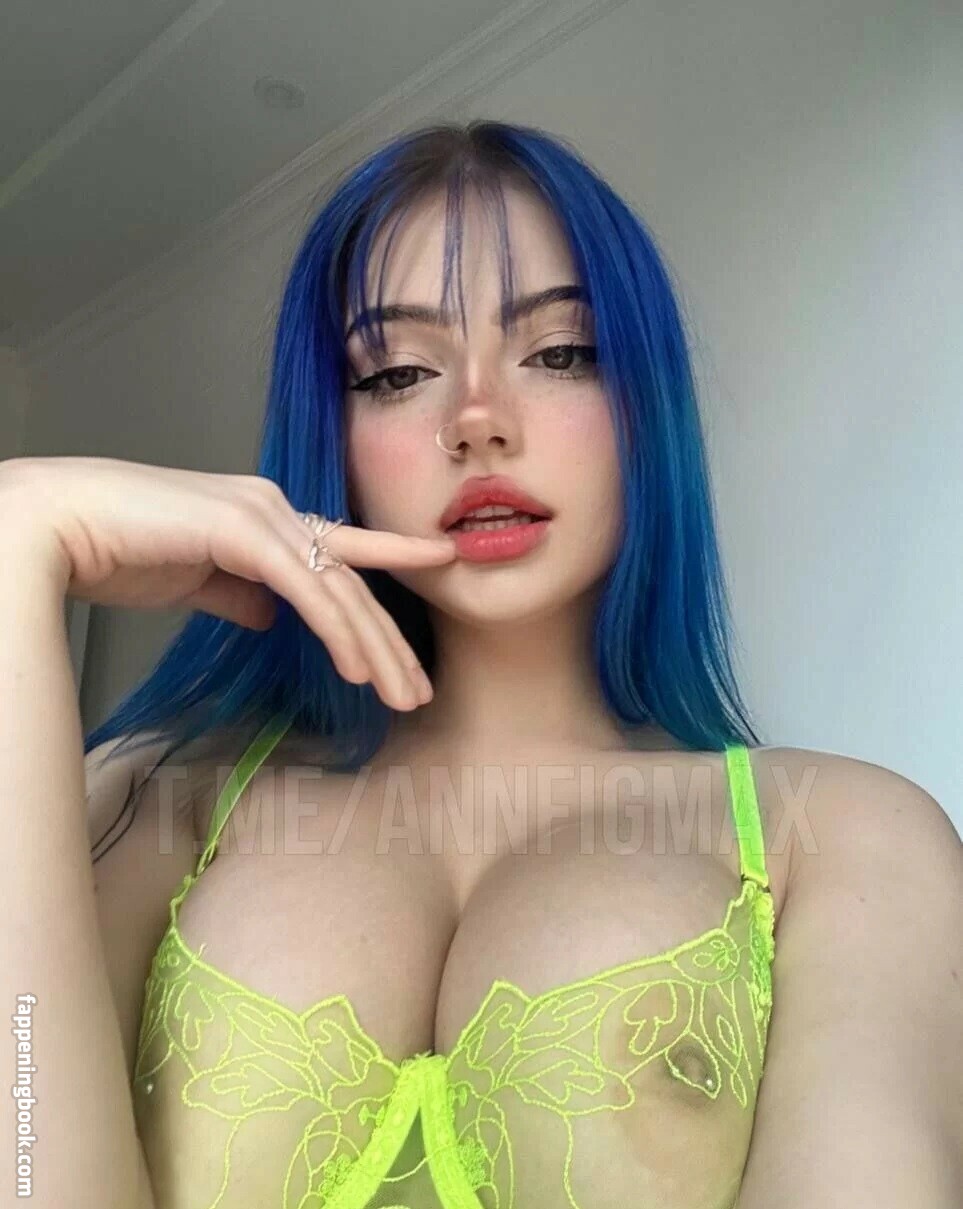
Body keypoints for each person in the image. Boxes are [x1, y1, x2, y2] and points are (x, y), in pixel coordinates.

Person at [2, 122, 959, 1209]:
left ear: (647, 404)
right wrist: (17, 543)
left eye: (561, 353)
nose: (475, 422)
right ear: (332, 434)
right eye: (398, 372)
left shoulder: (842, 839)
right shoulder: (151, 797)